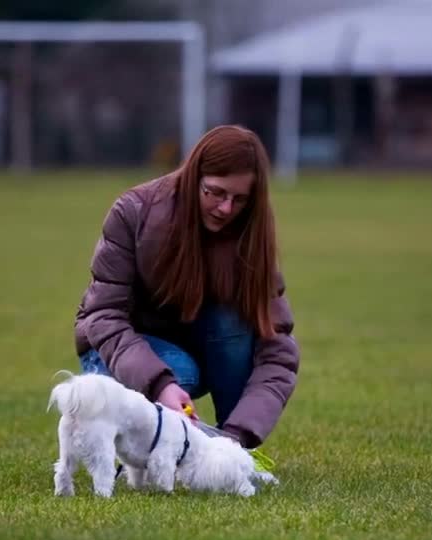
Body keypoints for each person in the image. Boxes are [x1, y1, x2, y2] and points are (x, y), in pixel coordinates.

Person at [72, 125, 298, 449]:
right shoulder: (134, 211)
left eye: (239, 200)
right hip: (114, 348)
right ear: (194, 177)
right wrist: (162, 385)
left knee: (233, 320)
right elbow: (103, 315)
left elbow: (278, 350)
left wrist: (240, 436)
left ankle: (229, 452)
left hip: (193, 352)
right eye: (216, 192)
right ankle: (121, 418)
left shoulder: (250, 238)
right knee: (182, 373)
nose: (226, 209)